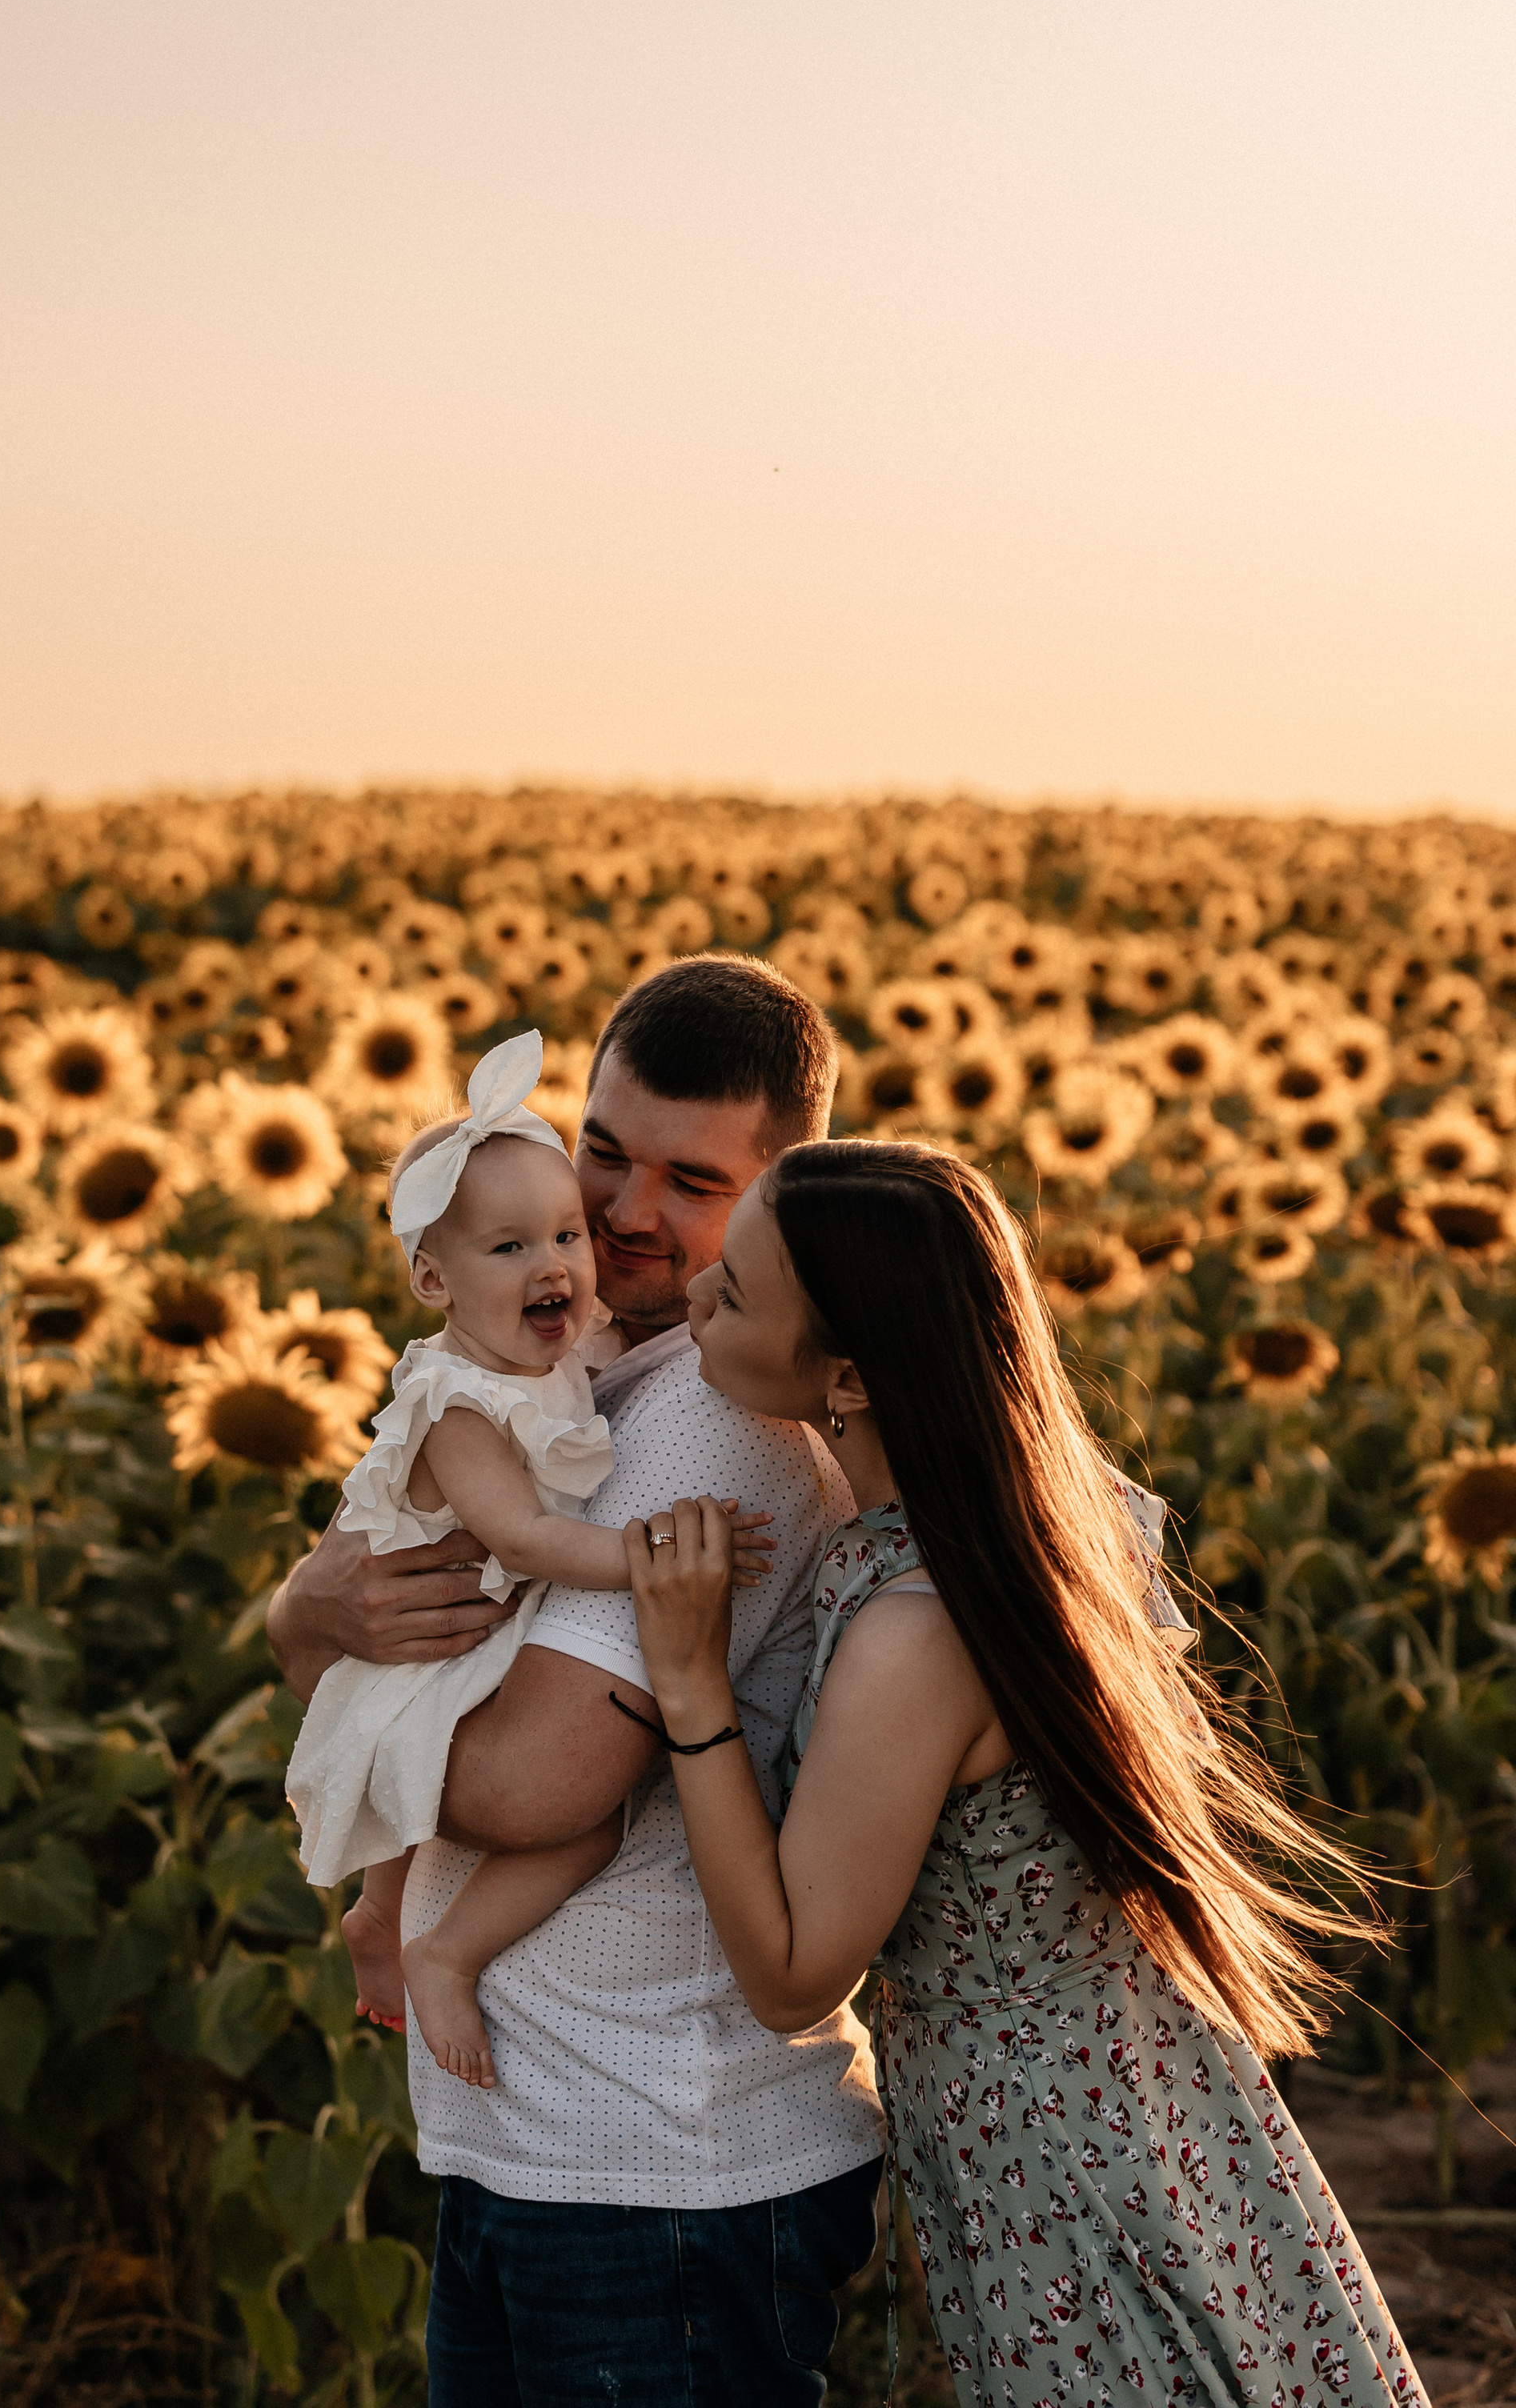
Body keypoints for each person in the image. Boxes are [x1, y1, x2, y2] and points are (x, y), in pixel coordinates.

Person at [621, 1139, 1423, 2408]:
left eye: (741, 1288)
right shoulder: (1016, 1513)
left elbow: (792, 1971)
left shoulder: (916, 1634)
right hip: (1149, 2098)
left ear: (847, 1378)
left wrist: (691, 1688)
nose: (700, 1287)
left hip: (1058, 2161)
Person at [267, 957, 888, 2408]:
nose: (622, 1211)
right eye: (602, 1151)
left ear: (782, 1195)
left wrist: (311, 1640)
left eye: (692, 1181)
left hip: (662, 2165)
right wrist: (311, 1620)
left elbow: (534, 1780)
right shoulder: (558, 1358)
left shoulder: (717, 1423)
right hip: (547, 2141)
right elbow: (356, 1604)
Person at [284, 1027, 771, 2084]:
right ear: (432, 1277)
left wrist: (301, 1627)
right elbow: (521, 1537)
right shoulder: (463, 1396)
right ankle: (414, 1932)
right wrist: (659, 1558)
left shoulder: (620, 1360)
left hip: (466, 1634)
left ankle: (412, 1928)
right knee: (532, 1816)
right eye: (511, 1249)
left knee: (569, 1829)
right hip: (448, 1628)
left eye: (562, 1238)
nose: (568, 1255)